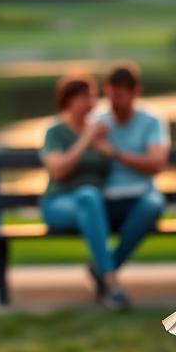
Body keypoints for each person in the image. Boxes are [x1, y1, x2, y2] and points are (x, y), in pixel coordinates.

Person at [39, 72, 131, 308]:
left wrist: (105, 146)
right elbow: (58, 171)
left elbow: (113, 167)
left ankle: (102, 275)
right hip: (58, 205)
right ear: (68, 100)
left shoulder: (101, 130)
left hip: (93, 208)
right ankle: (110, 283)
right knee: (88, 195)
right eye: (84, 96)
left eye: (92, 95)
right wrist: (85, 139)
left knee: (92, 198)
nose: (91, 101)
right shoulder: (55, 131)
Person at [88, 62, 169, 292]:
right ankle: (108, 275)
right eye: (110, 95)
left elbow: (157, 163)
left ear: (136, 92)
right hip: (106, 201)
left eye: (120, 96)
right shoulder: (97, 121)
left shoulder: (152, 121)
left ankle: (104, 271)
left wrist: (113, 153)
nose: (114, 102)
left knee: (154, 204)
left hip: (139, 198)